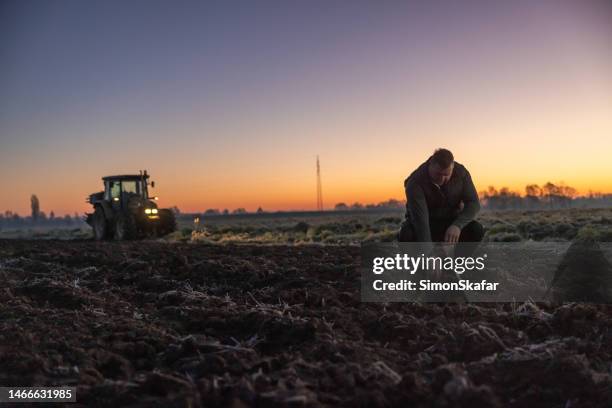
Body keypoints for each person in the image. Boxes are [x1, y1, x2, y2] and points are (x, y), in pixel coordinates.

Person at [398, 148, 484, 243]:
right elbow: (420, 220)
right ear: (431, 164)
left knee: (476, 229)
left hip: (451, 221)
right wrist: (429, 253)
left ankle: (459, 258)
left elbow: (474, 203)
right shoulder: (414, 182)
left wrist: (457, 225)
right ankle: (420, 258)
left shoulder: (462, 173)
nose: (442, 179)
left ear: (453, 167)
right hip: (426, 223)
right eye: (438, 174)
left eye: (446, 175)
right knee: (406, 233)